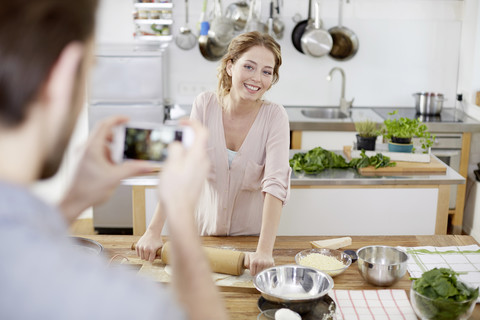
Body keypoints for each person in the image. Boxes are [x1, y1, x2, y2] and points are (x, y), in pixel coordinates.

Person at [0, 1, 227, 319]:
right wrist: (180, 214)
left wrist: (74, 201)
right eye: (90, 68)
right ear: (62, 75)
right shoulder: (111, 300)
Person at [136, 31, 291, 276]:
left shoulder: (275, 117)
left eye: (266, 71)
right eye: (249, 67)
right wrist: (154, 231)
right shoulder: (205, 105)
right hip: (201, 236)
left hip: (249, 247)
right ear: (230, 66)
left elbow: (275, 183)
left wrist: (263, 250)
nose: (257, 78)